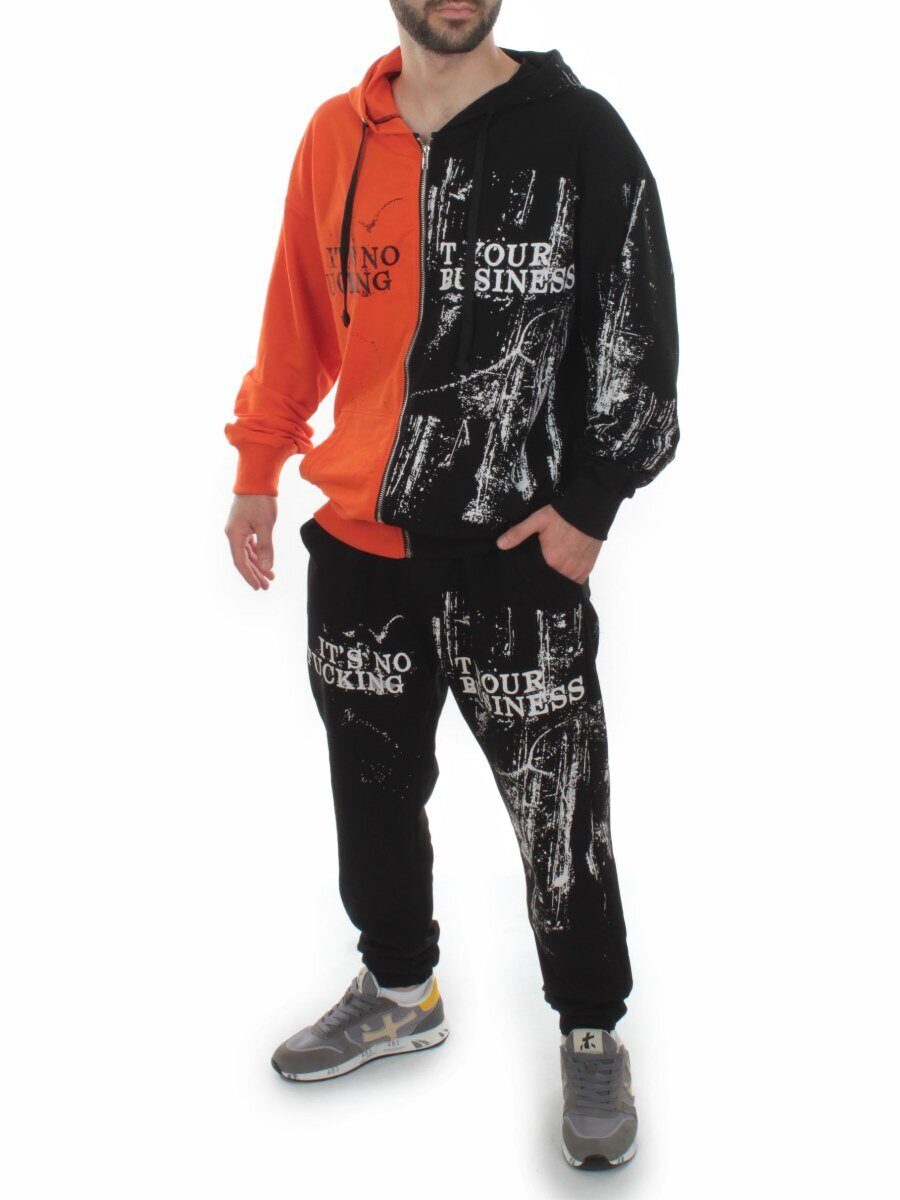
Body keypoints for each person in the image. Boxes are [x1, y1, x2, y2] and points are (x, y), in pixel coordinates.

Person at [224, 0, 678, 1171]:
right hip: (358, 548)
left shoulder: (577, 133)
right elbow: (299, 319)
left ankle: (590, 1029)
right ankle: (399, 988)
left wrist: (590, 507)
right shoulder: (337, 135)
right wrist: (259, 467)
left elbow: (636, 328)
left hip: (512, 553)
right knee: (372, 788)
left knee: (557, 806)